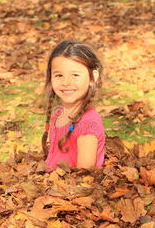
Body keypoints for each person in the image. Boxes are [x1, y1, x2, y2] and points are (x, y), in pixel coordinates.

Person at [41, 40, 106, 171]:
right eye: (59, 75)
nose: (66, 82)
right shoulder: (58, 113)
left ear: (93, 76)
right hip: (50, 183)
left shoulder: (87, 125)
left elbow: (83, 176)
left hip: (69, 188)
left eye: (75, 75)